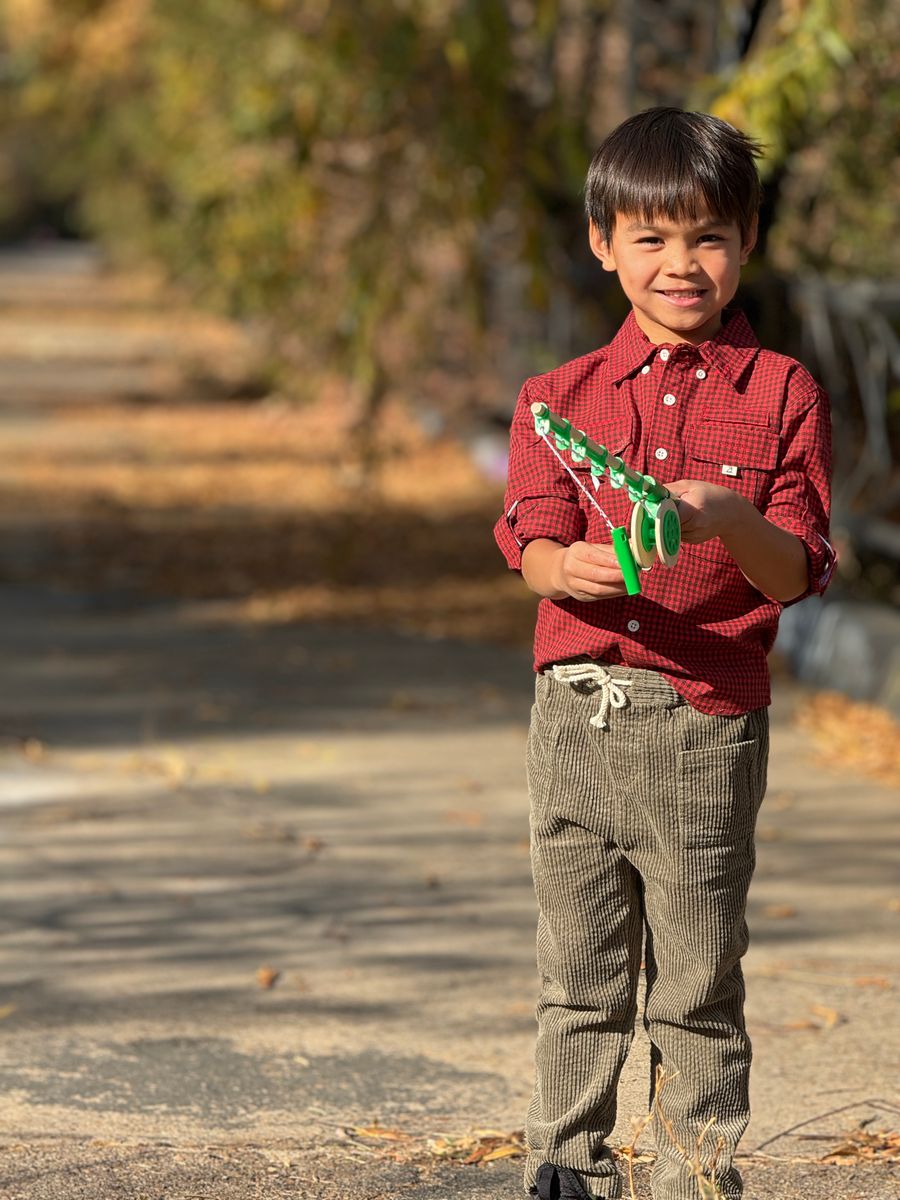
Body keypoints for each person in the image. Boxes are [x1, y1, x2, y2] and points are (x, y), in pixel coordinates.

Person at [493, 107, 836, 1200]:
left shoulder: (782, 395)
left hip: (706, 726)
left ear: (747, 240)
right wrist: (563, 568)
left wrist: (728, 517)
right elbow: (529, 535)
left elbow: (795, 571)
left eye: (709, 237)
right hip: (576, 716)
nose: (681, 264)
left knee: (695, 982)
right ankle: (566, 1167)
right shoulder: (555, 400)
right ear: (603, 243)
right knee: (578, 973)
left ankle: (697, 1171)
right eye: (651, 238)